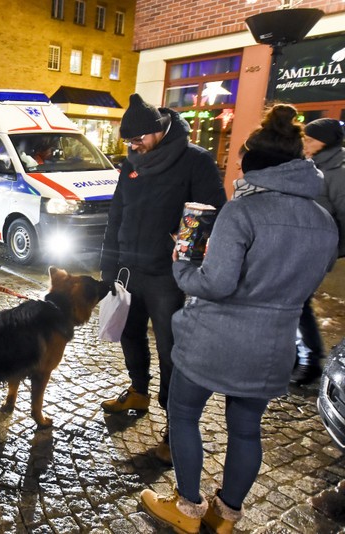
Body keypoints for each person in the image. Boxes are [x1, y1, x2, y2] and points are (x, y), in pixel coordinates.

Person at [139, 104, 338, 534]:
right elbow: (310, 278)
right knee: (246, 430)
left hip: (215, 340)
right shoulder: (323, 221)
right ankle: (225, 517)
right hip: (273, 345)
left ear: (254, 165)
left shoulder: (243, 211)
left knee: (184, 413)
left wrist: (183, 261)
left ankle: (187, 507)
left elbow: (215, 283)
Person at [99, 93, 226, 464]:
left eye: (138, 139)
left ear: (159, 129)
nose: (133, 146)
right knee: (128, 332)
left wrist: (184, 243)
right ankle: (138, 390)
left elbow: (214, 213)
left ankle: (175, 427)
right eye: (128, 141)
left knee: (171, 350)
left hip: (168, 275)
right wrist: (108, 265)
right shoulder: (131, 163)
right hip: (129, 267)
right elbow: (117, 214)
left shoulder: (195, 160)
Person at [293, 118, 345, 385]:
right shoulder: (311, 164)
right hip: (298, 244)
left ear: (325, 142)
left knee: (297, 302)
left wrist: (332, 249)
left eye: (311, 139)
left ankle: (310, 360)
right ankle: (296, 356)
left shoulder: (338, 171)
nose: (306, 143)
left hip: (317, 248)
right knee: (291, 300)